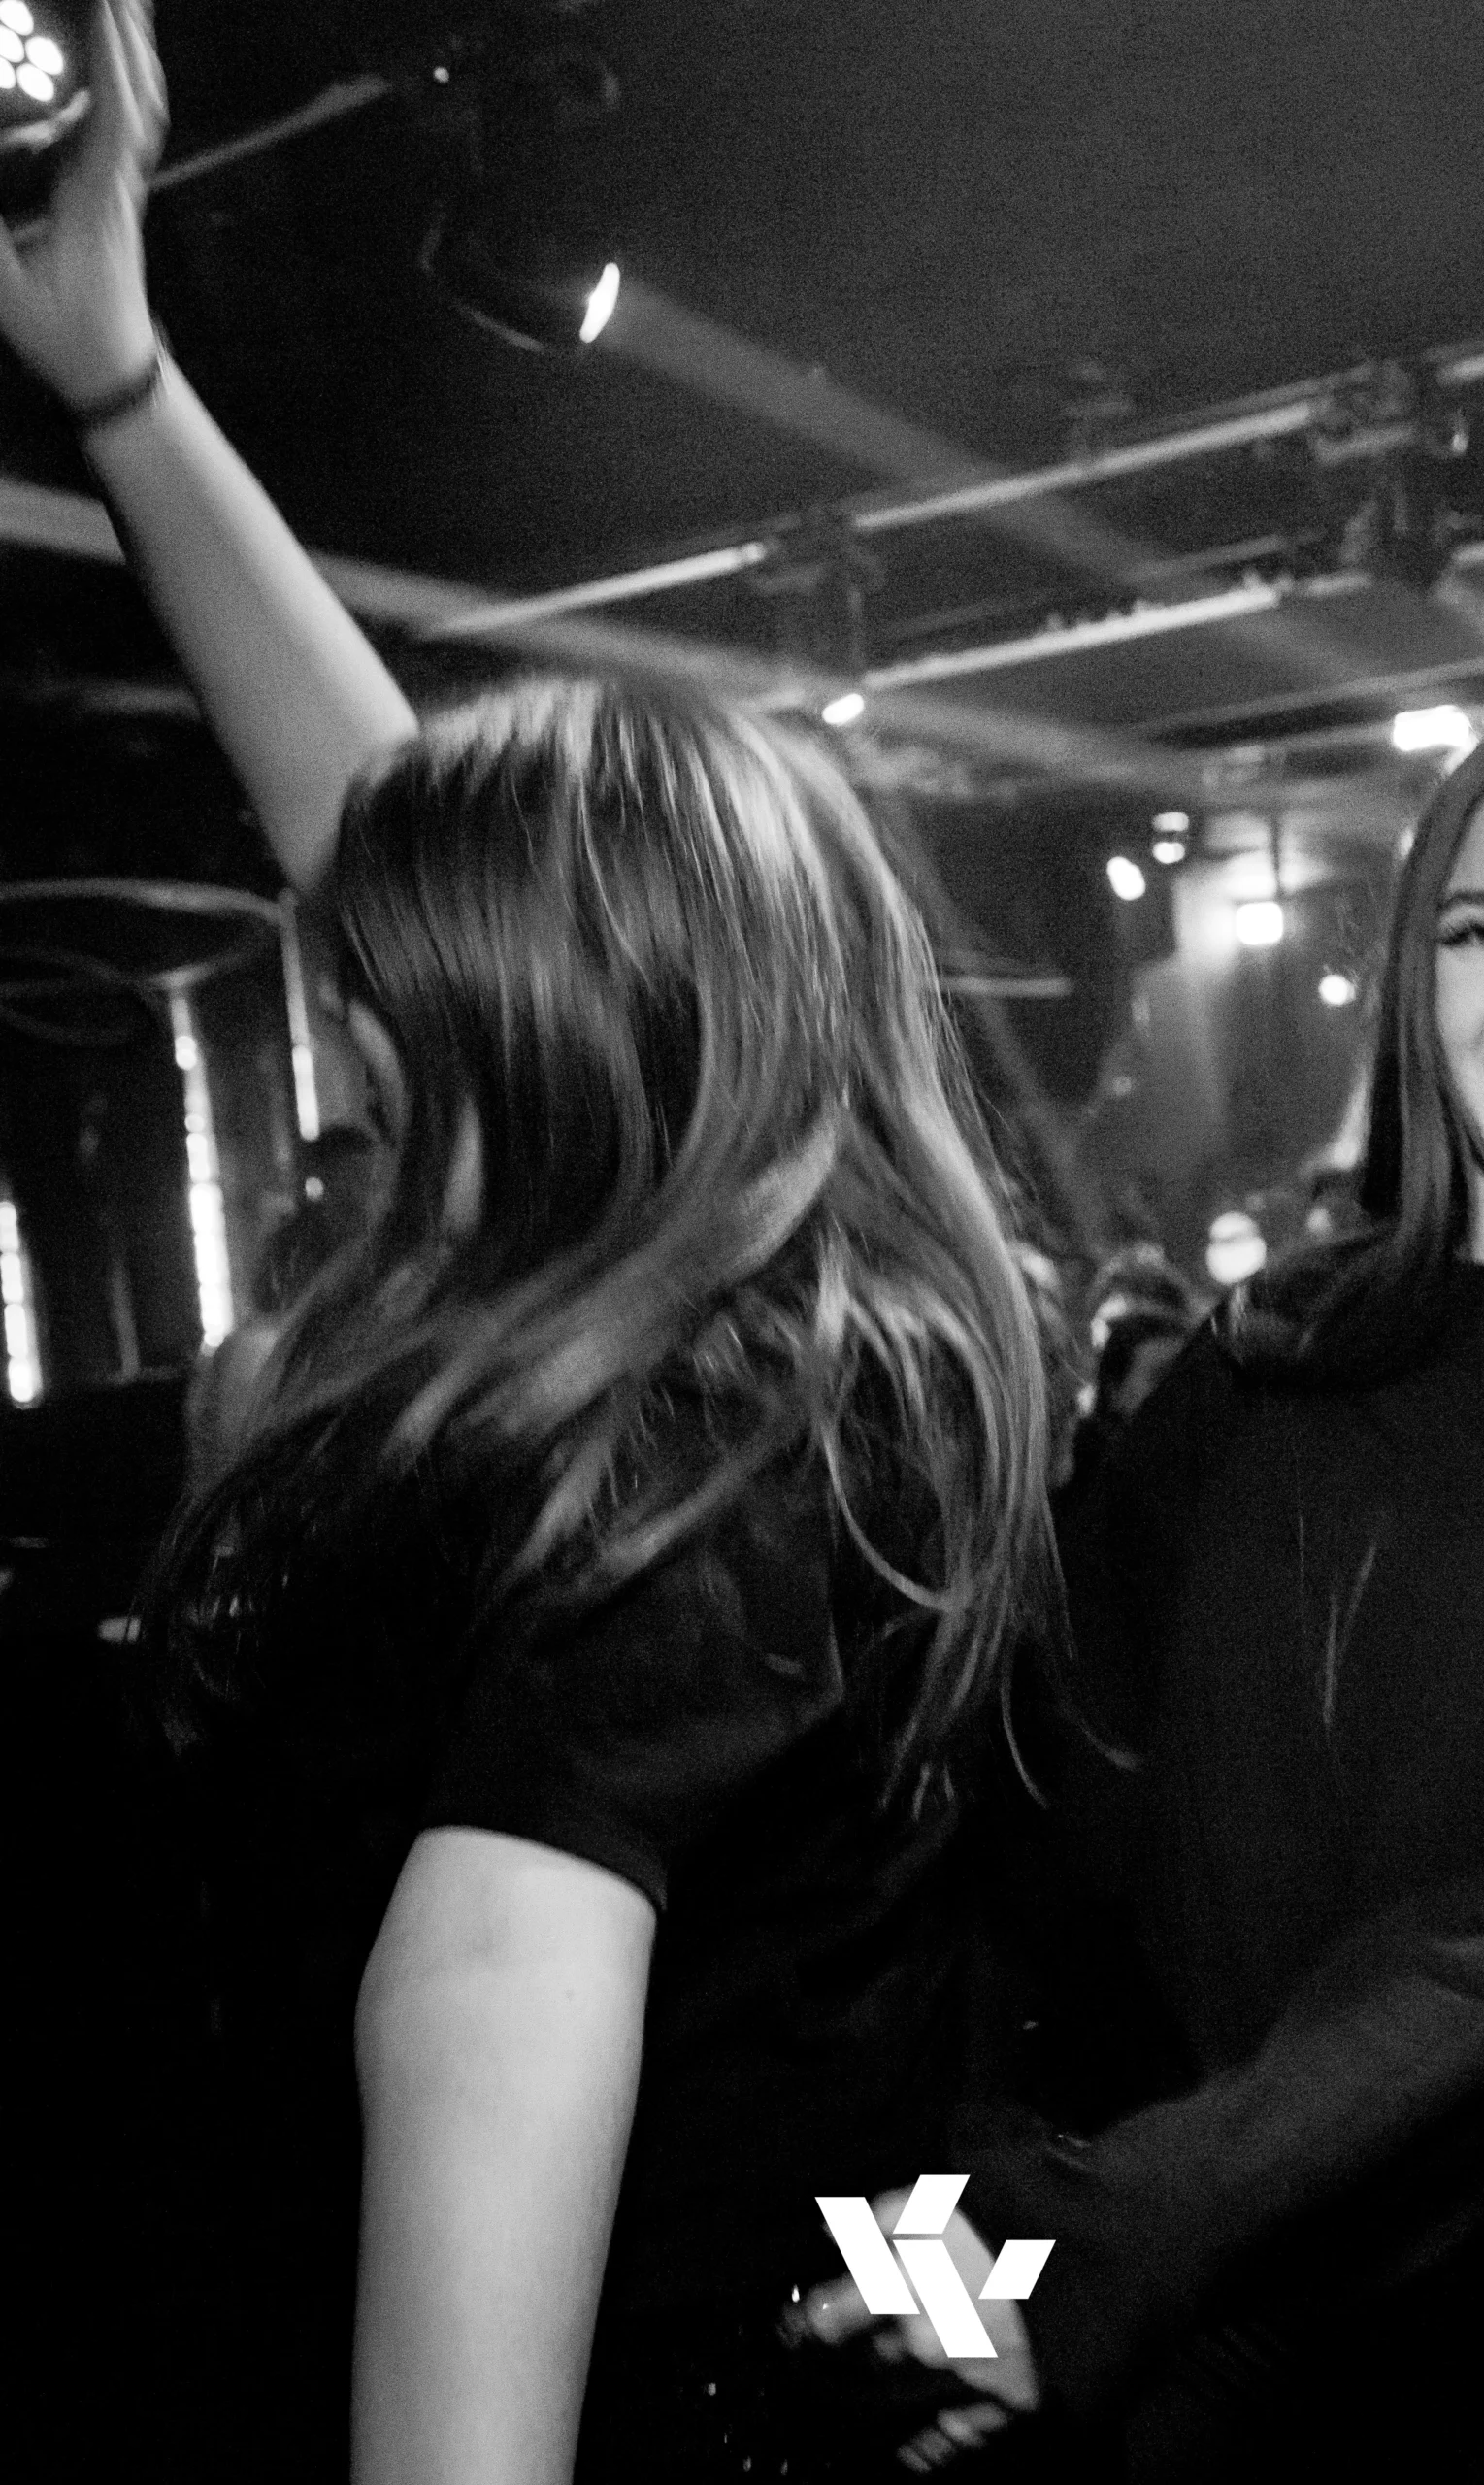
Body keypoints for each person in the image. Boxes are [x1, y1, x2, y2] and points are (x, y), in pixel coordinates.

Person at [0, 14, 1061, 2479]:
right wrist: (122, 385)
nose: (348, 1026)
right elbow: (903, 2006)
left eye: (399, 997)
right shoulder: (811, 1358)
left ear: (551, 1052)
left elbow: (487, 1995)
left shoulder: (675, 1468)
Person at [811, 680, 1484, 2482]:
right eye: (1483, 930)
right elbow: (1033, 1848)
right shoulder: (1267, 1363)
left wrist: (1076, 2268)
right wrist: (951, 2249)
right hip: (1195, 2366)